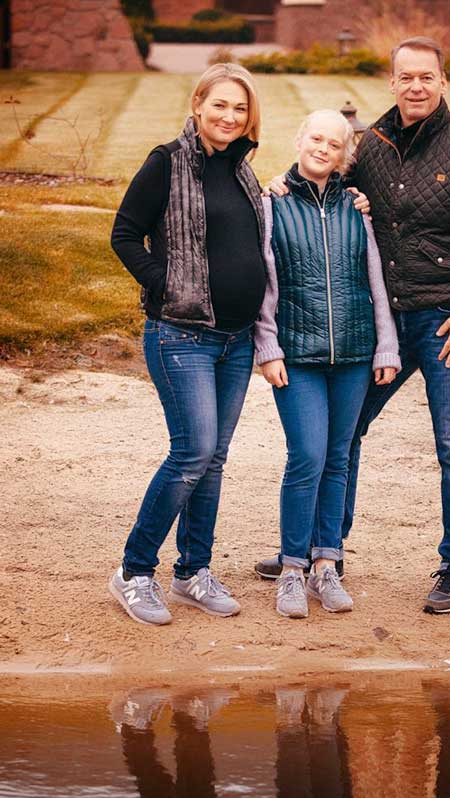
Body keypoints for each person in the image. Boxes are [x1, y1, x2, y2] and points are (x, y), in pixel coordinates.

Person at [256, 36, 450, 614]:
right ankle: (323, 551)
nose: (416, 86)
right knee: (342, 434)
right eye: (406, 77)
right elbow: (320, 174)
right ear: (392, 81)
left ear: (443, 81)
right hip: (385, 323)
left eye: (426, 76)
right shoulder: (371, 143)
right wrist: (278, 185)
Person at [108, 63, 267, 625]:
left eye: (240, 108)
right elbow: (124, 234)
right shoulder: (166, 161)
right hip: (181, 335)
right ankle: (133, 572)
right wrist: (166, 283)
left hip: (236, 341)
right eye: (219, 104)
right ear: (198, 104)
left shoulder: (243, 171)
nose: (229, 116)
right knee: (192, 453)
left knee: (213, 460)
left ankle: (192, 572)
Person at [254, 110, 400, 618]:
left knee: (338, 458)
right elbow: (264, 283)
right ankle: (292, 571)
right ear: (300, 140)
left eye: (334, 144)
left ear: (344, 155)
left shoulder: (357, 208)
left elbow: (375, 280)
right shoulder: (272, 203)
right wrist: (268, 348)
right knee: (307, 457)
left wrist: (386, 347)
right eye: (316, 138)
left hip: (355, 355)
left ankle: (326, 565)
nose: (323, 149)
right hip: (297, 356)